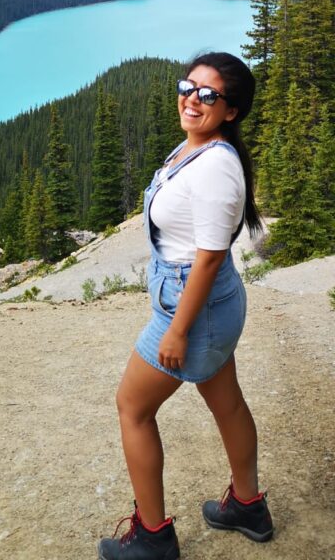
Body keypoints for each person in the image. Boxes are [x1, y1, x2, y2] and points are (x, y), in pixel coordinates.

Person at [98, 51, 273, 560]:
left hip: (193, 311)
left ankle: (153, 537)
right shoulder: (199, 145)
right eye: (188, 86)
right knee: (228, 403)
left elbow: (209, 258)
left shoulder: (217, 166)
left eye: (208, 95)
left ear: (231, 110)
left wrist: (177, 330)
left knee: (133, 408)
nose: (191, 99)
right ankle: (247, 506)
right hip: (209, 307)